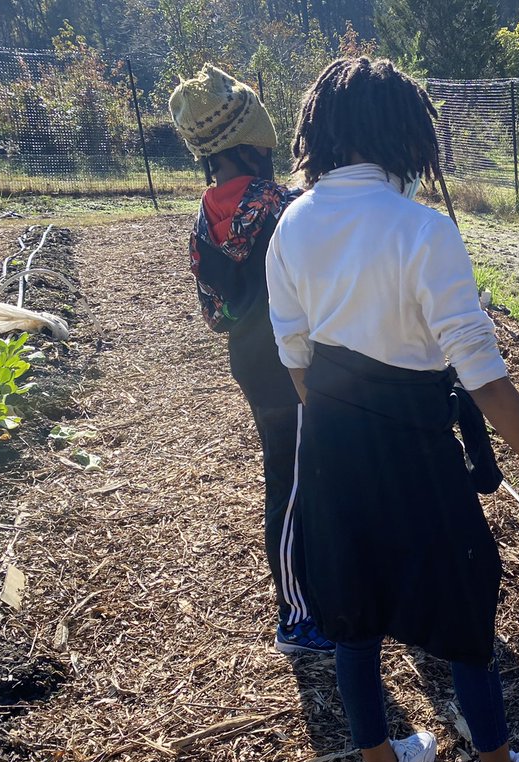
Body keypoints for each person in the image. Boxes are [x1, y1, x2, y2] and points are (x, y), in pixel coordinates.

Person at [265, 57, 519, 762]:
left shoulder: (290, 224)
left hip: (329, 446)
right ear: (404, 134)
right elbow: (484, 379)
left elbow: (294, 361)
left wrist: (345, 423)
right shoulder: (422, 230)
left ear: (320, 131)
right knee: (466, 608)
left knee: (353, 609)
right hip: (416, 452)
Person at [168, 65, 334, 655]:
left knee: (290, 476)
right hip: (304, 363)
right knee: (295, 486)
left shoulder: (203, 217)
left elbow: (213, 315)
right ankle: (296, 616)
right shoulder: (284, 205)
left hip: (252, 366)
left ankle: (313, 597)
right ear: (254, 139)